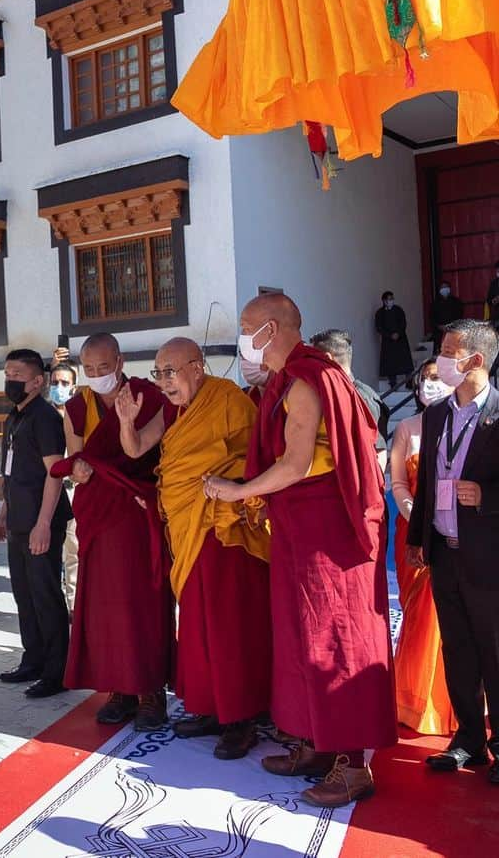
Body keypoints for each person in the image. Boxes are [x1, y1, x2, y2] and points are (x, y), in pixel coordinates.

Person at [204, 294, 396, 807]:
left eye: (246, 326)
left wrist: (237, 491)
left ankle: (352, 767)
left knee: (334, 641)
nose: (241, 335)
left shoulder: (309, 379)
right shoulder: (284, 380)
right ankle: (316, 743)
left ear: (270, 329)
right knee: (299, 637)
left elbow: (295, 463)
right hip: (298, 528)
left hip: (327, 536)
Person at [124, 338, 272, 760]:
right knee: (196, 623)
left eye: (171, 371)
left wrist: (228, 484)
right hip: (189, 526)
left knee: (228, 626)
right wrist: (126, 420)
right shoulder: (176, 410)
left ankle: (240, 719)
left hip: (222, 527)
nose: (165, 381)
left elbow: (255, 454)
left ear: (198, 366)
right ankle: (211, 707)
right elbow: (137, 448)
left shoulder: (227, 398)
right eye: (158, 373)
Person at [52, 332, 173, 730]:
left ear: (120, 362)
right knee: (104, 606)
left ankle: (151, 693)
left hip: (138, 512)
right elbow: (76, 458)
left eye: (104, 368)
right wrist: (79, 469)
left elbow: (148, 451)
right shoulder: (76, 405)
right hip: (101, 516)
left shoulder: (148, 396)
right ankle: (119, 690)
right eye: (89, 370)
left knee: (142, 602)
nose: (97, 375)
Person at [406, 319, 499, 783]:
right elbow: (426, 483)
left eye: (449, 351)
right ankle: (469, 740)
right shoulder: (438, 413)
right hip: (444, 552)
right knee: (458, 650)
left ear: (475, 360)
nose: (441, 360)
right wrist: (417, 541)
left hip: (489, 559)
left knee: (495, 651)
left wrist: (487, 496)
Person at [0, 349, 71, 699]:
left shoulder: (44, 417)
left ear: (38, 381)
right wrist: (4, 511)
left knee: (45, 596)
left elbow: (55, 473)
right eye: (7, 374)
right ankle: (33, 659)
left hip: (42, 521)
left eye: (17, 375)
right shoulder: (14, 417)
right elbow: (11, 472)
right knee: (24, 596)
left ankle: (57, 672)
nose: (10, 380)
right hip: (19, 520)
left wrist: (43, 523)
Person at [390, 361, 457, 736]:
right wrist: (416, 519)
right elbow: (398, 481)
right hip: (413, 531)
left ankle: (453, 704)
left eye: (436, 378)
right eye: (425, 379)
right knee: (418, 615)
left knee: (452, 619)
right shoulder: (407, 429)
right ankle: (415, 702)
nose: (430, 385)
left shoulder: (467, 427)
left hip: (453, 534)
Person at [309, 329, 389, 472]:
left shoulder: (362, 398)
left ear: (328, 358)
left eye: (312, 360)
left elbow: (378, 452)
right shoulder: (324, 395)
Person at [47, 359, 80, 616]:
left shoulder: (80, 415)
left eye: (64, 383)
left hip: (73, 491)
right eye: (54, 382)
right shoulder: (42, 416)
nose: (59, 387)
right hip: (47, 494)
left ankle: (74, 606)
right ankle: (51, 608)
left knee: (74, 551)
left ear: (74, 386)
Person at [375, 291, 415, 390]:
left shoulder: (398, 310)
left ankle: (409, 381)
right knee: (390, 363)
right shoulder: (380, 313)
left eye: (392, 299)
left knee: (405, 361)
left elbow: (403, 323)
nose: (391, 301)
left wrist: (398, 333)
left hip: (401, 339)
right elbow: (379, 327)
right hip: (388, 342)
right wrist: (389, 335)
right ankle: (393, 383)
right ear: (384, 301)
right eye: (389, 299)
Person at [431, 281, 464, 352]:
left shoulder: (456, 302)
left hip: (453, 331)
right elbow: (432, 318)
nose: (444, 289)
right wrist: (439, 326)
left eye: (446, 287)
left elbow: (460, 315)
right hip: (440, 333)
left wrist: (453, 326)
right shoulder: (435, 303)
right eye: (442, 287)